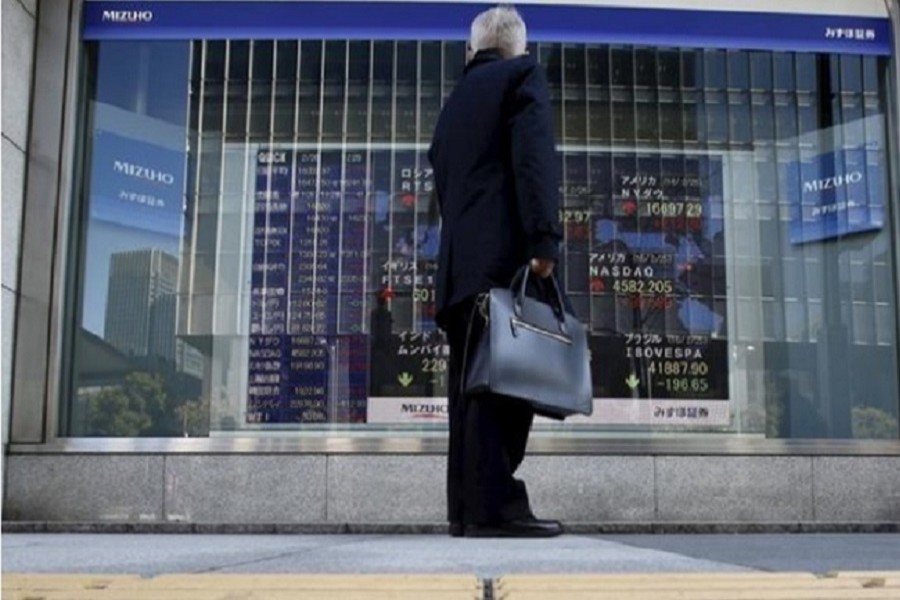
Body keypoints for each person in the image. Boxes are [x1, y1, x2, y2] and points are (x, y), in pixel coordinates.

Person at [428, 5, 563, 538]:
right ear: (518, 45)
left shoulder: (455, 102)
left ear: (475, 47)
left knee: (467, 394)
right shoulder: (522, 75)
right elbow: (533, 160)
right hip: (503, 266)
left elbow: (443, 175)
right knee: (504, 391)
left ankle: (465, 509)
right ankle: (497, 508)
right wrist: (543, 240)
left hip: (460, 271)